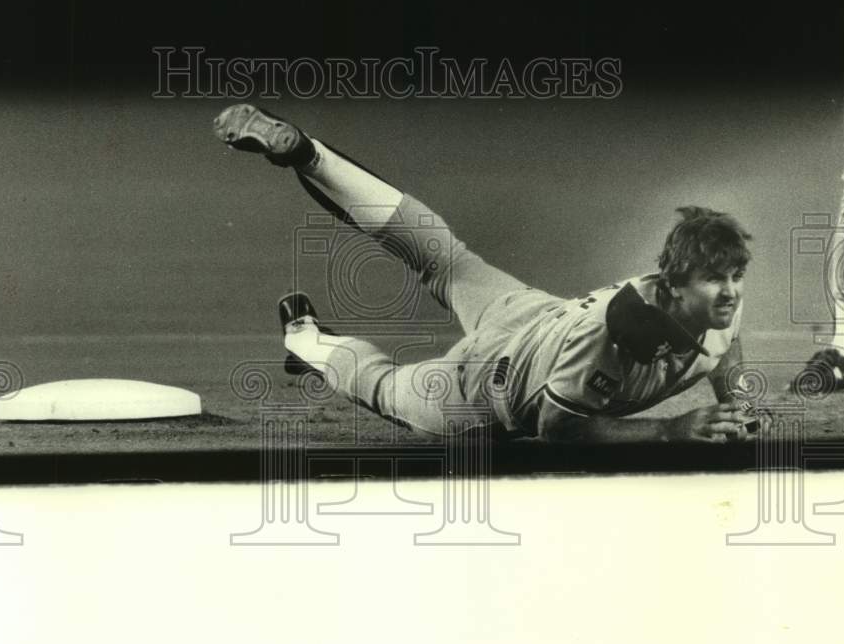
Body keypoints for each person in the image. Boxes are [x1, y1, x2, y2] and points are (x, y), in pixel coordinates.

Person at [213, 103, 764, 444]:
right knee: (382, 387)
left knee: (444, 258)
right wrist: (671, 429)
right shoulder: (621, 333)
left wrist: (735, 401)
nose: (731, 292)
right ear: (673, 286)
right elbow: (559, 427)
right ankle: (305, 340)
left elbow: (727, 343)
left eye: (736, 276)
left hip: (531, 314)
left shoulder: (713, 304)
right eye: (718, 280)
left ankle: (311, 154)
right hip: (479, 389)